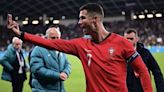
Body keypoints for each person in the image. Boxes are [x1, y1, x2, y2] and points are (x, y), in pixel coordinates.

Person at [7, 3, 153, 92]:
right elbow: (50, 43)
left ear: (95, 19)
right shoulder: (81, 45)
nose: (79, 22)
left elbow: (142, 70)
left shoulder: (121, 43)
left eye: (83, 18)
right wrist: (21, 34)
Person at [29, 26, 71, 92]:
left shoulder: (61, 49)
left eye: (58, 38)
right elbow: (37, 69)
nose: (56, 40)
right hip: (42, 90)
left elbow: (67, 63)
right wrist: (58, 75)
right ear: (46, 38)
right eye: (53, 38)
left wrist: (66, 72)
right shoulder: (38, 50)